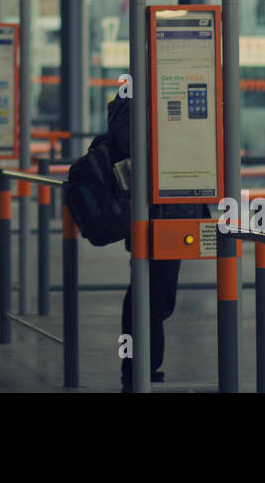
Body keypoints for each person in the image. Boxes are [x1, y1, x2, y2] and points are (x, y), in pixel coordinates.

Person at [87, 93, 209, 392]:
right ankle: (139, 371)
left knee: (155, 295)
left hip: (171, 208)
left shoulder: (143, 100)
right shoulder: (134, 101)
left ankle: (143, 368)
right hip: (156, 212)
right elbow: (136, 150)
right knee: (151, 296)